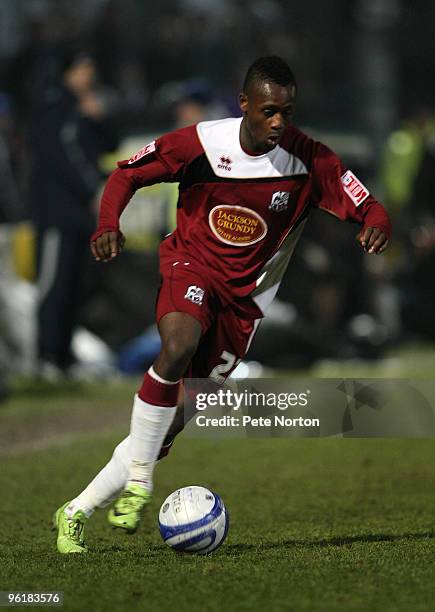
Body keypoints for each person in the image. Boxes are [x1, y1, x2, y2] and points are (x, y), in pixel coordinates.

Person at [53, 56, 391, 553]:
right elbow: (126, 175)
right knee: (178, 344)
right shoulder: (201, 143)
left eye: (287, 112)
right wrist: (108, 224)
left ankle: (76, 510)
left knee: (168, 427)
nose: (278, 122)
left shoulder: (309, 160)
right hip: (191, 266)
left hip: (245, 305)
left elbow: (369, 204)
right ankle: (141, 482)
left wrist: (375, 223)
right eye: (269, 111)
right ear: (245, 105)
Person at [29, 48, 118, 379]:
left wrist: (98, 117)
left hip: (80, 216)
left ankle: (64, 357)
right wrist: (91, 189)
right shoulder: (55, 105)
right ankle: (46, 357)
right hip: (56, 213)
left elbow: (110, 143)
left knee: (75, 286)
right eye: (83, 68)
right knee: (54, 286)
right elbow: (61, 157)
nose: (89, 75)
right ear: (68, 73)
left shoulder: (85, 106)